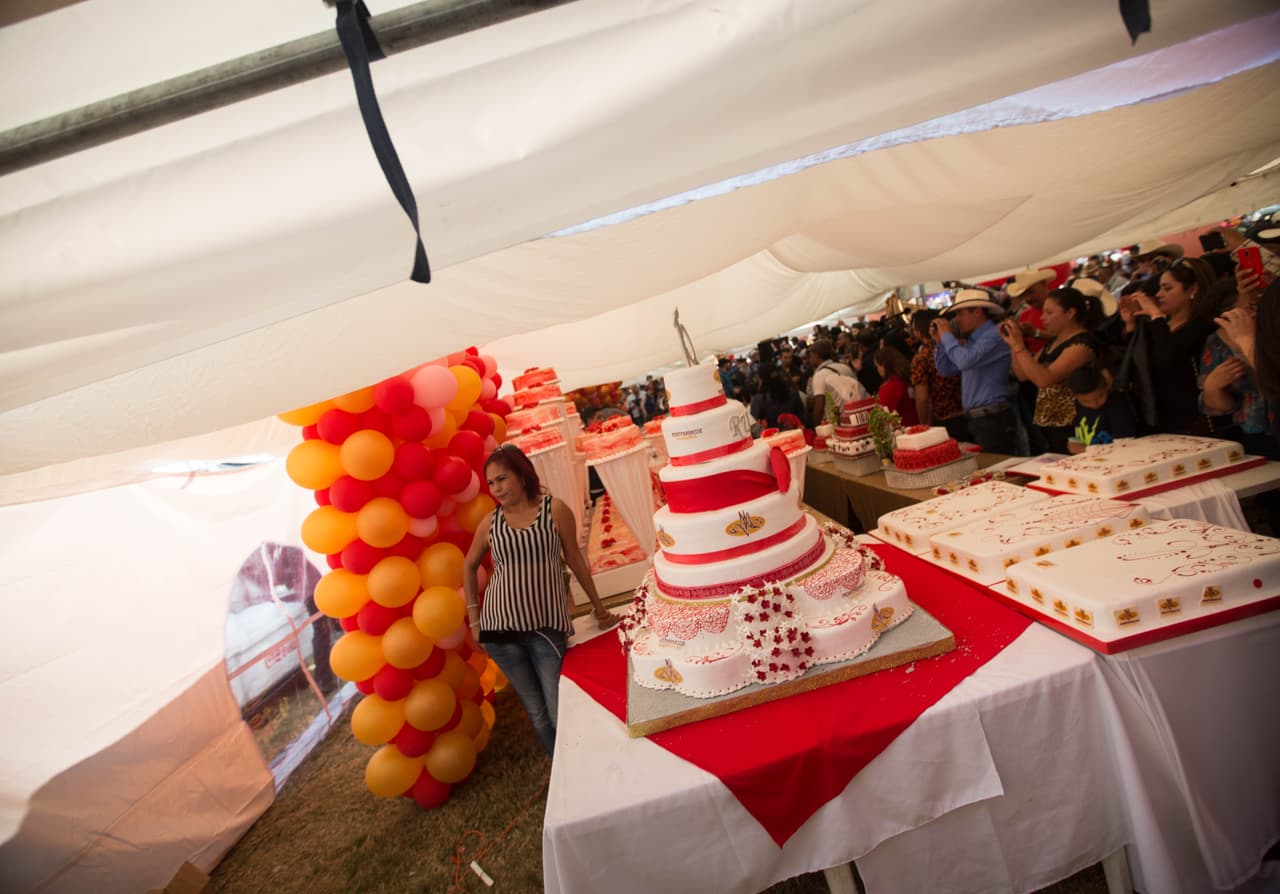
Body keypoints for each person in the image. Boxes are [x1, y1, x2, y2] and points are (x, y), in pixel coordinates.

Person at [462, 445, 619, 756]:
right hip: (499, 630)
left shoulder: (554, 510)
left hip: (545, 627)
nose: (497, 489)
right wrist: (475, 619)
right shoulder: (491, 522)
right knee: (536, 710)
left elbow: (574, 559)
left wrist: (598, 607)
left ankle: (579, 766)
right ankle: (563, 774)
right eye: (491, 483)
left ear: (522, 475)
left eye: (502, 479)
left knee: (559, 708)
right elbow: (468, 564)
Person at [1000, 286, 1102, 453]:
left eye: (1049, 313)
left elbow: (1044, 380)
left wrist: (1019, 345)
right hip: (1053, 424)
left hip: (1076, 424)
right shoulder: (1055, 341)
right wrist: (1014, 343)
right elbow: (1023, 374)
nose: (1043, 318)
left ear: (1070, 313)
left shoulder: (1082, 343)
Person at [1122, 256, 1218, 435]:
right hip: (1161, 419)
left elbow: (1170, 358)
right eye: (1160, 288)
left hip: (1194, 420)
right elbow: (1139, 363)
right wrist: (1131, 326)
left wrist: (1156, 315)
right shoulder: (1161, 325)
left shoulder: (1202, 325)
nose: (1159, 295)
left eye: (1167, 288)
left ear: (1193, 289)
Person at [933, 289, 1018, 454]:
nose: (956, 320)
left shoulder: (994, 335)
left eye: (960, 314)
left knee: (999, 466)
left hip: (993, 417)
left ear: (978, 311)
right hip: (979, 418)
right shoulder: (974, 340)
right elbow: (946, 370)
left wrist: (947, 337)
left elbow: (964, 361)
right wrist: (940, 343)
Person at [1067, 364, 1139, 446]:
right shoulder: (1078, 405)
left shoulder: (1117, 405)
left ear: (1107, 386)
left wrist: (1087, 449)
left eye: (1100, 397)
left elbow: (1125, 443)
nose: (1094, 404)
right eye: (1085, 401)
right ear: (1075, 397)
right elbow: (1079, 428)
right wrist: (1076, 441)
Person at [806, 337, 867, 426]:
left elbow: (819, 408)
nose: (810, 358)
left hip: (838, 423)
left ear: (817, 355)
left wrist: (817, 428)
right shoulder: (844, 367)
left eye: (811, 354)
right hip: (856, 416)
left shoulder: (820, 375)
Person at [750, 366, 806, 431]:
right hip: (796, 434)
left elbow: (753, 426)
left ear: (762, 380)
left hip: (773, 437)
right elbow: (803, 417)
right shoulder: (792, 392)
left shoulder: (759, 399)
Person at [874, 345, 919, 425]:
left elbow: (885, 417)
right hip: (917, 423)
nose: (878, 370)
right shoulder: (908, 378)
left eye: (878, 366)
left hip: (903, 430)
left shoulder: (888, 388)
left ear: (884, 365)